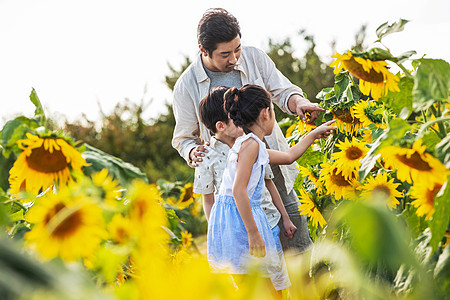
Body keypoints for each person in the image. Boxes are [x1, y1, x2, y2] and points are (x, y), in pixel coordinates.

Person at [171, 7, 324, 253]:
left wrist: (300, 103)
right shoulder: (186, 86)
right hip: (230, 176)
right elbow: (183, 138)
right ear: (203, 50)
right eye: (225, 54)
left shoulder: (254, 58)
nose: (234, 59)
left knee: (297, 238)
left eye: (237, 49)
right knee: (254, 254)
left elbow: (283, 91)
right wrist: (192, 152)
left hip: (269, 164)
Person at [207, 84, 335, 293]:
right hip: (242, 220)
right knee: (262, 283)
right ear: (266, 113)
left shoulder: (251, 143)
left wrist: (315, 134)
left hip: (239, 215)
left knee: (259, 283)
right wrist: (253, 233)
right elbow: (239, 191)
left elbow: (288, 156)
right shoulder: (251, 146)